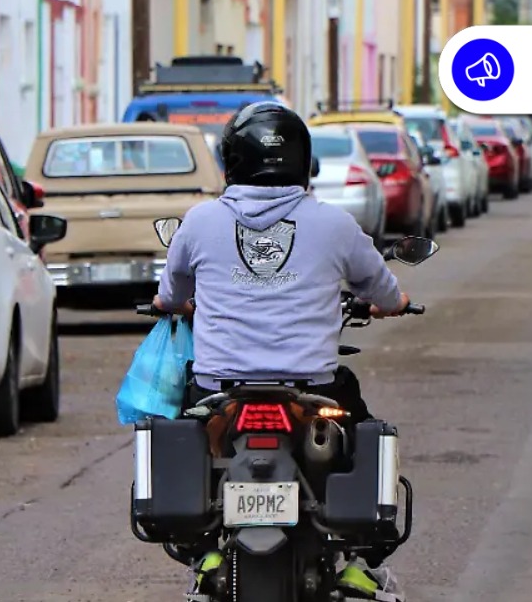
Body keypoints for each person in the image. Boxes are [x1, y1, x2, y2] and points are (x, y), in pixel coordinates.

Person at [151, 101, 410, 601]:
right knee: (359, 433)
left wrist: (177, 304)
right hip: (312, 387)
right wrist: (393, 304)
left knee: (186, 429)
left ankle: (205, 549)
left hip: (218, 388)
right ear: (301, 160)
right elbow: (383, 289)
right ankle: (359, 561)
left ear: (231, 161)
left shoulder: (200, 221)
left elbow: (170, 294)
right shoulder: (333, 224)